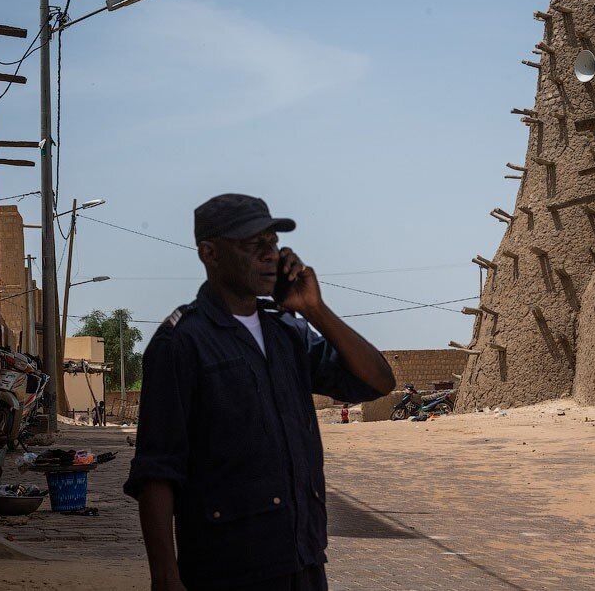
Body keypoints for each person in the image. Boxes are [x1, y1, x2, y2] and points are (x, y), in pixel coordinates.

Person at [123, 193, 396, 591]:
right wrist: (165, 577)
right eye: (254, 245)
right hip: (228, 568)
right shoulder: (182, 342)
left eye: (272, 242)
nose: (270, 255)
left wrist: (315, 309)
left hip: (302, 561)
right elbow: (158, 471)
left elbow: (378, 382)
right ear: (210, 253)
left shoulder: (289, 332)